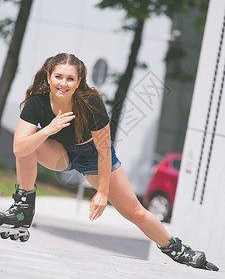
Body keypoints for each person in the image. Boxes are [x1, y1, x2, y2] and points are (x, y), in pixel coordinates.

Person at [0, 53, 216, 270]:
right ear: (48, 78)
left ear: (78, 82)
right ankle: (23, 209)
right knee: (29, 144)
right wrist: (48, 129)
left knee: (135, 211)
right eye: (58, 77)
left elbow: (104, 150)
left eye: (70, 78)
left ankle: (177, 250)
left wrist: (102, 192)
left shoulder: (90, 103)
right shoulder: (37, 102)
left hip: (94, 157)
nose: (63, 83)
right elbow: (19, 148)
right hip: (60, 152)